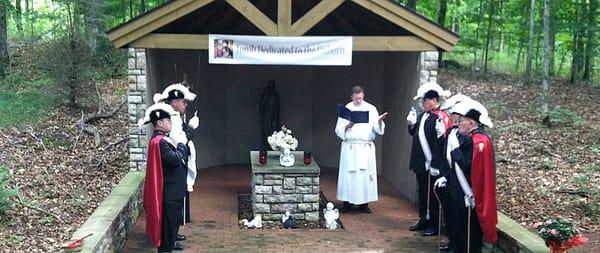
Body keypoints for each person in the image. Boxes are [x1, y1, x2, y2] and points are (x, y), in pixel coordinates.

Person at [438, 99, 497, 253]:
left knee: (468, 232)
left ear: (471, 123)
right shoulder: (472, 138)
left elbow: (468, 167)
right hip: (458, 191)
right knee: (459, 229)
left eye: (462, 121)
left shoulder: (479, 141)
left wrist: (456, 149)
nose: (458, 124)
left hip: (468, 193)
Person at [138, 103, 189, 252]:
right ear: (159, 123)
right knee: (167, 234)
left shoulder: (162, 140)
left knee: (172, 229)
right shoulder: (159, 142)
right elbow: (174, 160)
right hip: (169, 194)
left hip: (173, 192)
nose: (171, 123)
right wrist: (181, 145)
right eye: (168, 120)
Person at [406, 82, 452, 236]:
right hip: (420, 162)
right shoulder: (423, 116)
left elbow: (441, 145)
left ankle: (434, 224)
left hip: (433, 164)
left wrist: (435, 164)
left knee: (433, 196)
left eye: (424, 101)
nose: (422, 104)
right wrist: (411, 125)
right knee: (422, 193)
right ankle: (423, 220)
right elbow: (416, 134)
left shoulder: (440, 117)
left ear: (433, 101)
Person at [335, 85, 387, 213]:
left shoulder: (370, 108)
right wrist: (347, 126)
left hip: (365, 148)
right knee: (349, 176)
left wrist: (380, 121)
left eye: (360, 98)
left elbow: (377, 128)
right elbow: (338, 129)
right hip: (350, 147)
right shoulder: (347, 108)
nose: (358, 101)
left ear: (363, 96)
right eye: (356, 98)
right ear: (351, 97)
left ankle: (364, 204)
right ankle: (347, 202)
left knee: (364, 176)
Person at [153, 83, 199, 227]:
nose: (185, 104)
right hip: (175, 164)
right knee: (173, 207)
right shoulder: (171, 118)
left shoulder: (177, 117)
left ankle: (173, 234)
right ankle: (170, 237)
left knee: (178, 205)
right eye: (183, 101)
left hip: (180, 162)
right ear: (174, 102)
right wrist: (191, 128)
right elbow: (181, 142)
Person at [434, 94, 473, 251]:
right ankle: (452, 242)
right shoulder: (451, 131)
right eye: (452, 114)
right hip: (450, 179)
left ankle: (458, 247)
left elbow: (463, 161)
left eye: (457, 115)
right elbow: (445, 156)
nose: (454, 117)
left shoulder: (466, 137)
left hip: (461, 184)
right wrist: (444, 175)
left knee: (460, 220)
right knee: (450, 216)